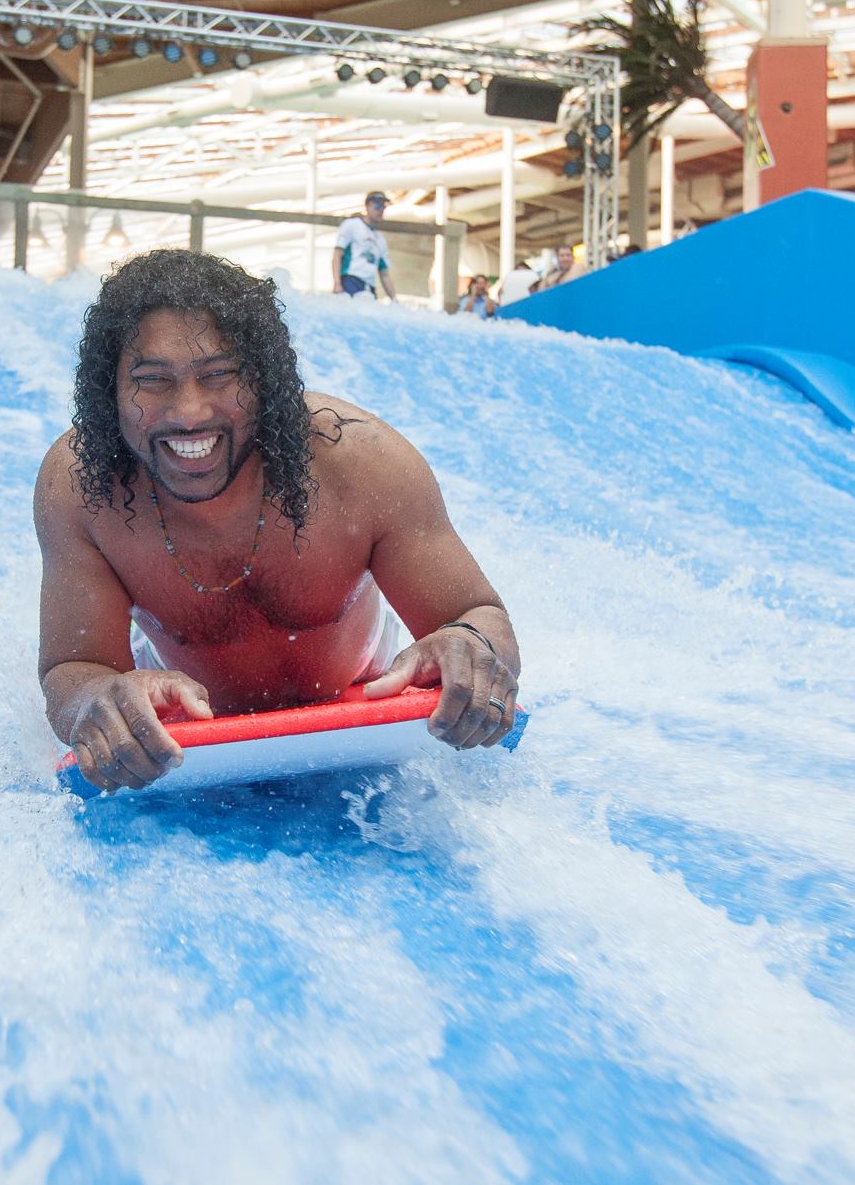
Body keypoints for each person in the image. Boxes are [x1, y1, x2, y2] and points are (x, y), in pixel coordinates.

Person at [35, 249, 521, 794]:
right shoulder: (80, 488)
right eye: (152, 381)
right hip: (187, 717)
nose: (189, 412)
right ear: (110, 393)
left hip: (364, 673)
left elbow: (479, 615)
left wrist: (468, 645)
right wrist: (97, 701)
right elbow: (73, 668)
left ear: (264, 382)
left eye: (219, 375)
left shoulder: (363, 463)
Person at [334, 192, 398, 300]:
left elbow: (384, 274)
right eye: (377, 205)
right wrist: (337, 283)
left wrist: (394, 300)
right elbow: (337, 255)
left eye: (383, 206)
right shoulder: (352, 225)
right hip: (350, 281)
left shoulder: (380, 239)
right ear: (367, 206)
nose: (380, 210)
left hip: (369, 287)